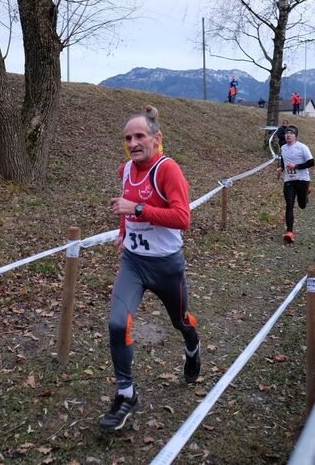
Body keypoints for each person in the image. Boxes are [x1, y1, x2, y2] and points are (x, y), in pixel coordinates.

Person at [101, 110, 200, 431]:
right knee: (118, 323)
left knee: (180, 321)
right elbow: (124, 203)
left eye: (139, 136)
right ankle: (126, 394)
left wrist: (139, 209)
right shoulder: (126, 170)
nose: (132, 143)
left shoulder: (167, 170)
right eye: (128, 138)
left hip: (167, 266)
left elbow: (183, 218)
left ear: (156, 139)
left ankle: (192, 347)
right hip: (133, 262)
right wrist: (122, 231)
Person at [278, 125, 314, 243]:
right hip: (289, 180)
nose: (288, 135)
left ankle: (306, 193)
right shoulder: (283, 147)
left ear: (295, 136)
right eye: (287, 133)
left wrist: (297, 166)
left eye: (291, 133)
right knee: (289, 204)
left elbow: (311, 162)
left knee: (302, 205)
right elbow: (284, 159)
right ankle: (289, 232)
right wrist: (281, 168)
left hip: (302, 179)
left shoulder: (302, 147)